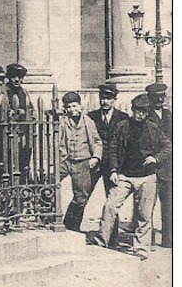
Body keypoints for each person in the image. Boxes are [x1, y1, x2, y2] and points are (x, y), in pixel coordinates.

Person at [88, 93, 171, 260]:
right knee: (110, 206)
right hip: (124, 176)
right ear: (132, 110)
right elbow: (112, 148)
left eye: (143, 112)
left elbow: (168, 146)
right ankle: (102, 240)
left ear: (147, 113)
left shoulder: (153, 128)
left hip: (147, 178)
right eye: (137, 111)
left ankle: (141, 248)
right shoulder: (122, 126)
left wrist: (155, 158)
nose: (140, 115)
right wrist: (113, 170)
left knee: (144, 215)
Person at [87, 82, 128, 245]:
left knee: (112, 201)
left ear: (115, 99)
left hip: (113, 166)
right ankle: (72, 231)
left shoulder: (123, 118)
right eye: (103, 97)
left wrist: (117, 167)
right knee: (83, 195)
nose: (105, 101)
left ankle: (112, 239)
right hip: (95, 162)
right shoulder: (91, 116)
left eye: (109, 98)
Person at [59, 91, 102, 232]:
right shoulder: (62, 121)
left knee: (81, 195)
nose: (72, 110)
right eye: (69, 107)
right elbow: (57, 139)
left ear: (80, 105)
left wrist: (95, 157)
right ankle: (47, 218)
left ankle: (72, 226)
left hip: (82, 161)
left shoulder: (88, 122)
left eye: (74, 106)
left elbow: (97, 141)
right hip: (65, 160)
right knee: (49, 184)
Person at [146, 82, 172, 248]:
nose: (160, 100)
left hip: (168, 167)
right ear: (150, 98)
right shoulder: (144, 115)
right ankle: (147, 240)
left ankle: (168, 240)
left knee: (169, 205)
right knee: (147, 205)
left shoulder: (170, 114)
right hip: (149, 167)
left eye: (162, 97)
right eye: (156, 97)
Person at [5, 63, 35, 182]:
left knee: (24, 162)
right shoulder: (3, 91)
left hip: (24, 134)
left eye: (20, 77)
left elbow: (31, 108)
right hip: (8, 134)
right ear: (9, 77)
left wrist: (32, 113)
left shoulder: (24, 92)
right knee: (8, 164)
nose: (18, 80)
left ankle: (23, 189)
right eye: (14, 76)